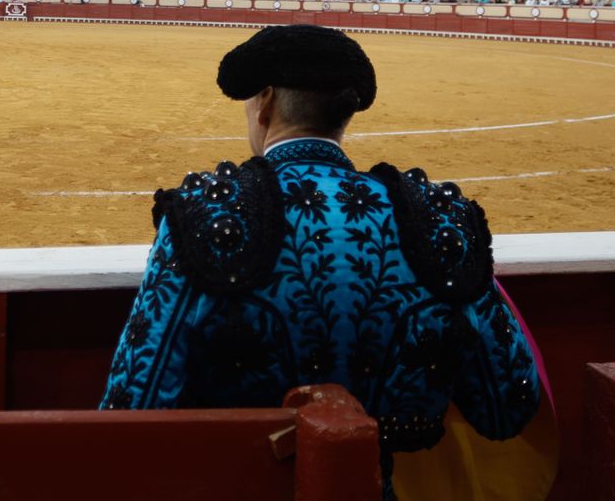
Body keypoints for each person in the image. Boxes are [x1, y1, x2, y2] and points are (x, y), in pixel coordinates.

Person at [101, 25, 550, 498]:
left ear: (266, 103)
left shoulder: (207, 214)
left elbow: (134, 408)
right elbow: (507, 407)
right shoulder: (441, 221)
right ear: (345, 113)